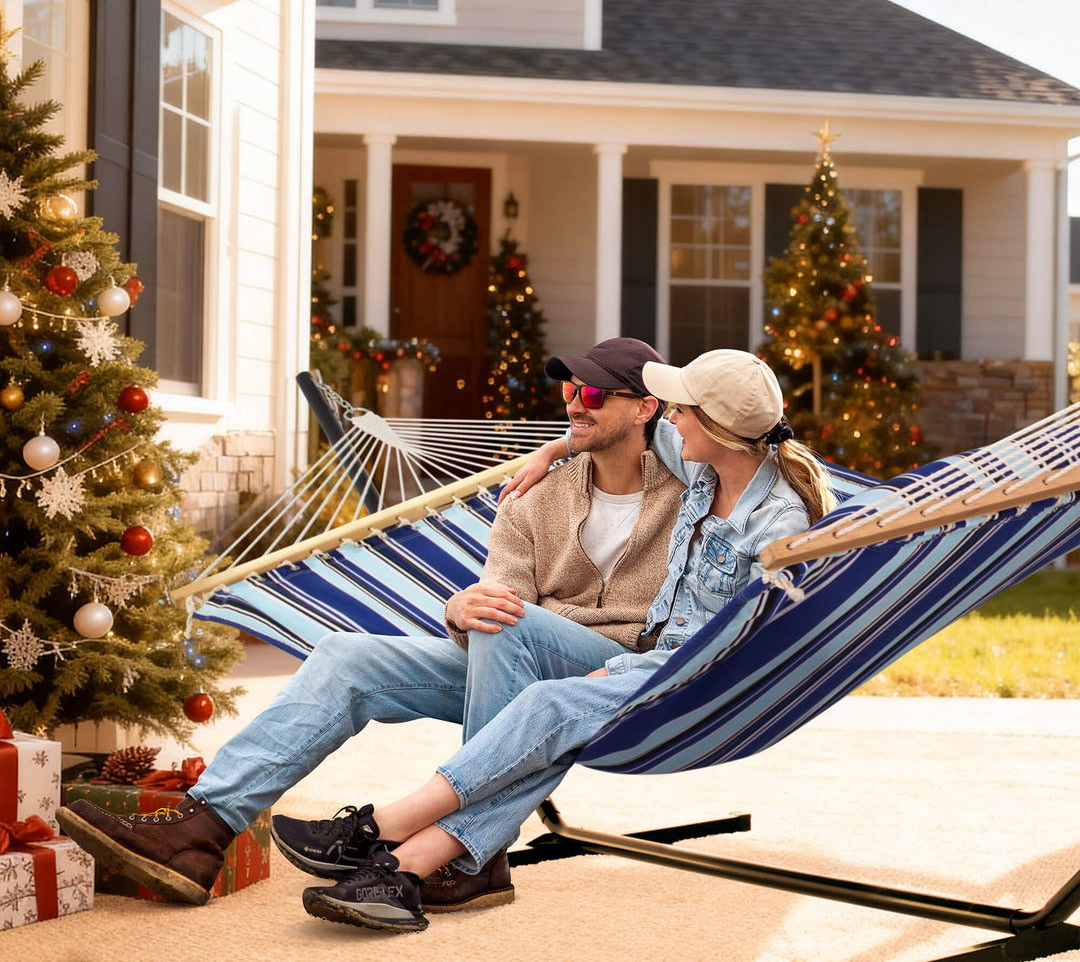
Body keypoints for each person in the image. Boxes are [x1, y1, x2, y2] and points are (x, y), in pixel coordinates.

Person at [56, 338, 686, 911]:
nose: (576, 404)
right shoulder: (537, 495)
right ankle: (204, 829)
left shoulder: (692, 487)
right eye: (570, 392)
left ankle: (470, 849)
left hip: (624, 676)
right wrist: (458, 610)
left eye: (596, 394)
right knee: (347, 655)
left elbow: (739, 433)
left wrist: (552, 451)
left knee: (508, 623)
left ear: (647, 409)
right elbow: (503, 596)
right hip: (520, 656)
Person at [294, 348, 839, 932]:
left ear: (717, 428)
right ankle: (410, 870)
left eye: (682, 410)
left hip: (693, 687)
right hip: (653, 661)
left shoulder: (780, 524)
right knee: (523, 660)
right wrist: (551, 452)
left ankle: (385, 830)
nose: (671, 419)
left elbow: (740, 646)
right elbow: (607, 435)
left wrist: (629, 674)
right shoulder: (701, 469)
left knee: (547, 706)